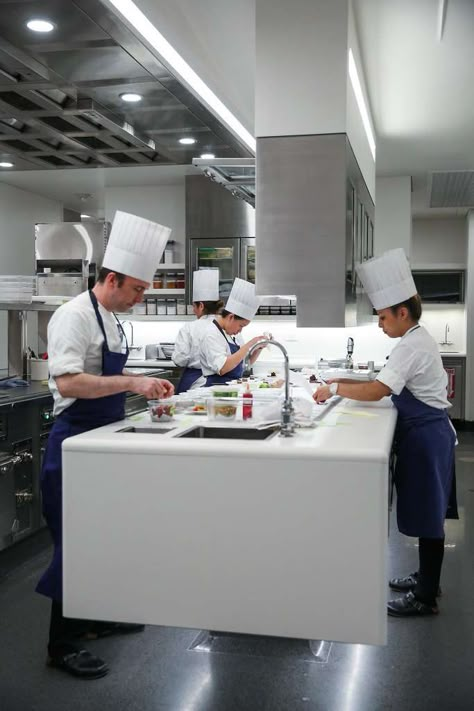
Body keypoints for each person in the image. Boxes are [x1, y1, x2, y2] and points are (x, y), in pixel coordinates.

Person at [37, 211, 175, 679]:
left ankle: (95, 619)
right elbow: (72, 383)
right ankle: (62, 643)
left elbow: (113, 382)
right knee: (75, 544)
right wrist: (133, 382)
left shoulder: (112, 319)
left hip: (103, 442)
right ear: (112, 278)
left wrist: (141, 391)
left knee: (106, 536)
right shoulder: (71, 316)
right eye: (136, 289)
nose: (140, 297)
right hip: (74, 444)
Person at [313, 248, 457, 617]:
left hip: (427, 437)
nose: (380, 324)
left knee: (429, 517)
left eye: (382, 317)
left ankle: (425, 597)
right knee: (429, 515)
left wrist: (333, 389)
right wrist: (342, 381)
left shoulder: (411, 344)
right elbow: (382, 383)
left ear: (402, 313)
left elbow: (379, 389)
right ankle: (427, 578)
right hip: (426, 434)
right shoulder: (414, 339)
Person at [199, 278, 266, 385]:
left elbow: (243, 365)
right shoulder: (211, 334)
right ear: (231, 317)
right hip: (217, 388)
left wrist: (258, 348)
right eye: (241, 325)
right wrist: (250, 344)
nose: (240, 330)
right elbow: (223, 368)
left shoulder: (234, 335)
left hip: (232, 387)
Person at [172, 269, 223, 393]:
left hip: (195, 385)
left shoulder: (189, 328)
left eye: (194, 306)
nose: (193, 310)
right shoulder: (227, 326)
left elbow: (180, 360)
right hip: (223, 383)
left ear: (201, 306)